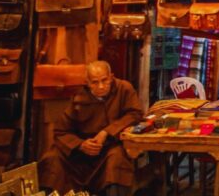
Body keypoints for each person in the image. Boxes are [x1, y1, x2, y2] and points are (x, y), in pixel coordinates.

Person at [39, 61, 143, 196]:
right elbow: (61, 131)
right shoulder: (80, 96)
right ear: (87, 83)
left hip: (110, 147)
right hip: (83, 152)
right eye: (95, 82)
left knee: (116, 160)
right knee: (52, 158)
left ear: (111, 77)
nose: (101, 86)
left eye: (104, 80)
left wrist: (107, 132)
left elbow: (135, 114)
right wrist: (80, 145)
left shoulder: (124, 89)